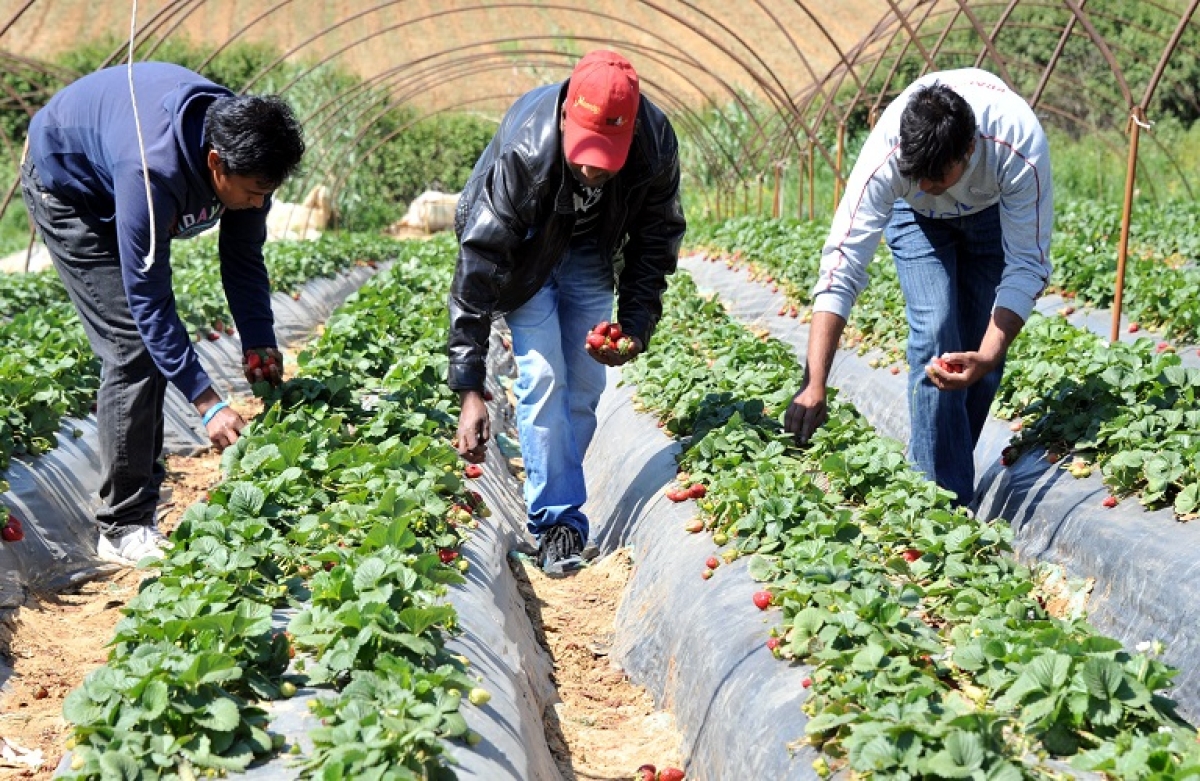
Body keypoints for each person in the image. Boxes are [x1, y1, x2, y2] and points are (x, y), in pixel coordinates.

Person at [20, 62, 305, 566]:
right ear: (216, 164)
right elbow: (149, 301)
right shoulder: (153, 168)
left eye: (268, 191)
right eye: (256, 192)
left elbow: (242, 257)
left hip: (117, 174)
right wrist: (208, 402)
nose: (261, 202)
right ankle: (123, 524)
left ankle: (141, 499)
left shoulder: (243, 146)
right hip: (70, 189)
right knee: (131, 344)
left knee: (148, 344)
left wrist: (259, 338)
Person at [448, 49, 685, 574]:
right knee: (543, 375)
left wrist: (636, 327)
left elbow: (656, 237)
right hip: (526, 249)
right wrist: (469, 387)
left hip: (588, 250)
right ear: (564, 117)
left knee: (584, 387)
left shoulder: (655, 143)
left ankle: (557, 498)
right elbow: (479, 261)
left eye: (604, 160)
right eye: (582, 151)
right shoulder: (526, 151)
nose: (589, 168)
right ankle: (558, 523)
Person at [784, 68, 1053, 507]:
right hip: (916, 222)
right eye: (917, 176)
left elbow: (1027, 265)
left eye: (935, 179)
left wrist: (987, 355)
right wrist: (815, 382)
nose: (926, 186)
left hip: (991, 217)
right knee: (935, 334)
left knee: (981, 359)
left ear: (969, 151)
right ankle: (938, 507)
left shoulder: (1017, 144)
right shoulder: (889, 155)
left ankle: (944, 481)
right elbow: (843, 261)